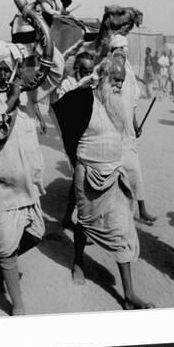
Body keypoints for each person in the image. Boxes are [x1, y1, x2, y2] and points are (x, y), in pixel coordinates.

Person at [0, 39, 63, 315]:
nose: (1, 74)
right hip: (3, 187)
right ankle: (18, 305)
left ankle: (2, 260)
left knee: (36, 234)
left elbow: (55, 73)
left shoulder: (24, 90)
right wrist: (11, 100)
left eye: (5, 69)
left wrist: (45, 32)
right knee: (7, 245)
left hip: (28, 186)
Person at [52, 53, 153, 309]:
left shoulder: (118, 102)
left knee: (123, 230)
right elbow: (60, 108)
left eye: (121, 81)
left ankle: (129, 293)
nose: (119, 85)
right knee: (85, 224)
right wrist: (85, 84)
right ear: (104, 77)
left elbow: (127, 131)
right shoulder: (86, 98)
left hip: (114, 176)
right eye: (115, 80)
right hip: (87, 174)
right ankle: (78, 262)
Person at [109, 35, 157, 225]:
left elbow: (132, 103)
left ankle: (142, 209)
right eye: (122, 48)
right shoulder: (111, 68)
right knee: (112, 172)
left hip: (128, 129)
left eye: (126, 48)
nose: (124, 51)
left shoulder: (127, 68)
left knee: (135, 169)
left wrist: (135, 123)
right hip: (114, 128)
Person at [50, 51, 96, 229]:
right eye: (85, 72)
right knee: (81, 179)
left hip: (88, 135)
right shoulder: (67, 85)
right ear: (76, 69)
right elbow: (63, 114)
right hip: (73, 138)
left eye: (91, 71)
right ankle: (79, 221)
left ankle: (69, 216)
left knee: (81, 179)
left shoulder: (91, 82)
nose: (89, 75)